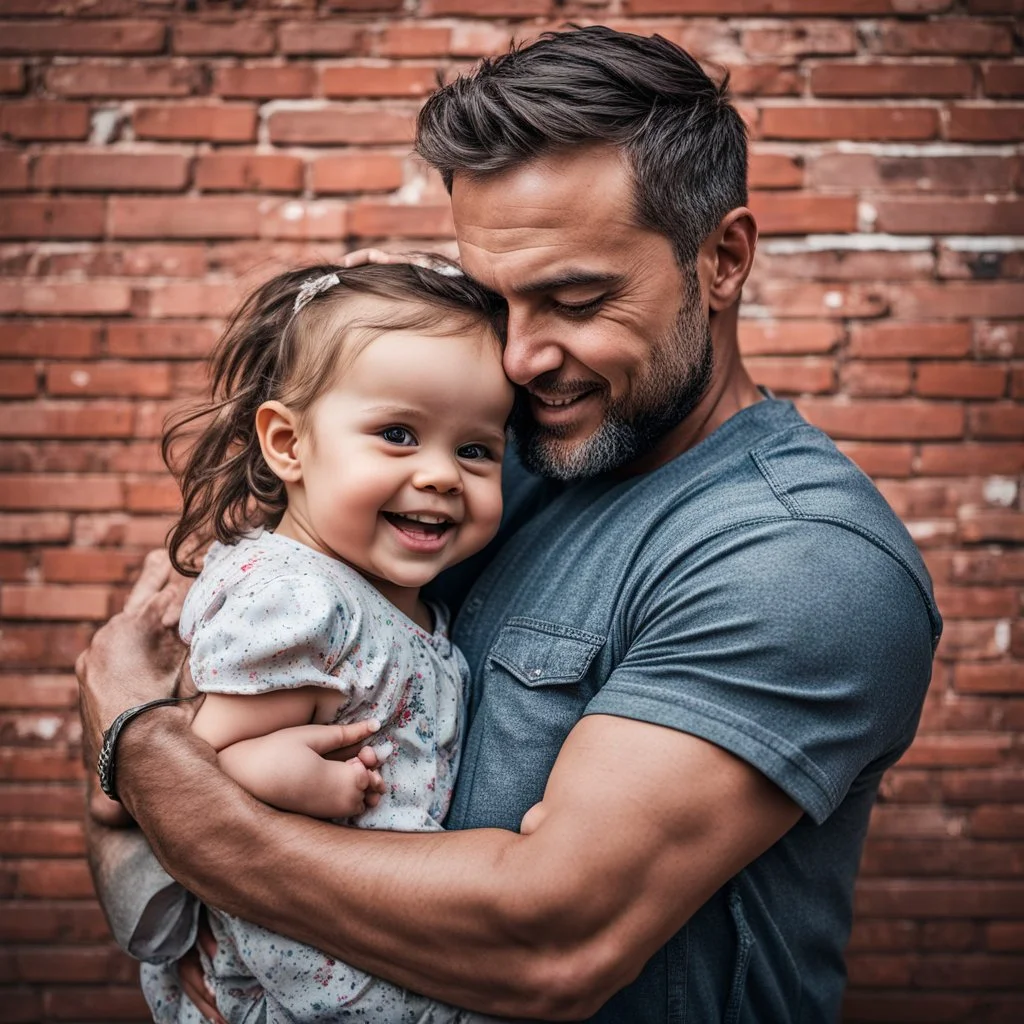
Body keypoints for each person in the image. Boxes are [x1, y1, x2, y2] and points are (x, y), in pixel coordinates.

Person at [78, 26, 942, 1023]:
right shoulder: (485, 469)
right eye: (493, 304)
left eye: (574, 299)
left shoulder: (797, 561)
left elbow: (548, 942)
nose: (522, 358)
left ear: (723, 258)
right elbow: (179, 722)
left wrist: (137, 751)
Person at [97, 261, 513, 1023]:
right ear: (288, 443)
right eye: (398, 434)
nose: (442, 475)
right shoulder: (301, 599)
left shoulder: (382, 597)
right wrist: (301, 782)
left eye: (477, 450)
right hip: (306, 973)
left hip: (365, 937)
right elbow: (196, 764)